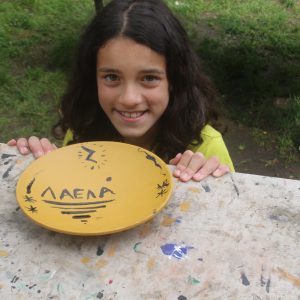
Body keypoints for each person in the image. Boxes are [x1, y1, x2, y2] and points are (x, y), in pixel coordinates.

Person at [8, 0, 234, 182]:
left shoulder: (206, 147)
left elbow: (229, 218)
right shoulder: (85, 127)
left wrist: (209, 182)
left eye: (149, 78)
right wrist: (39, 163)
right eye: (111, 77)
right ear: (92, 78)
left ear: (175, 79)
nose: (129, 99)